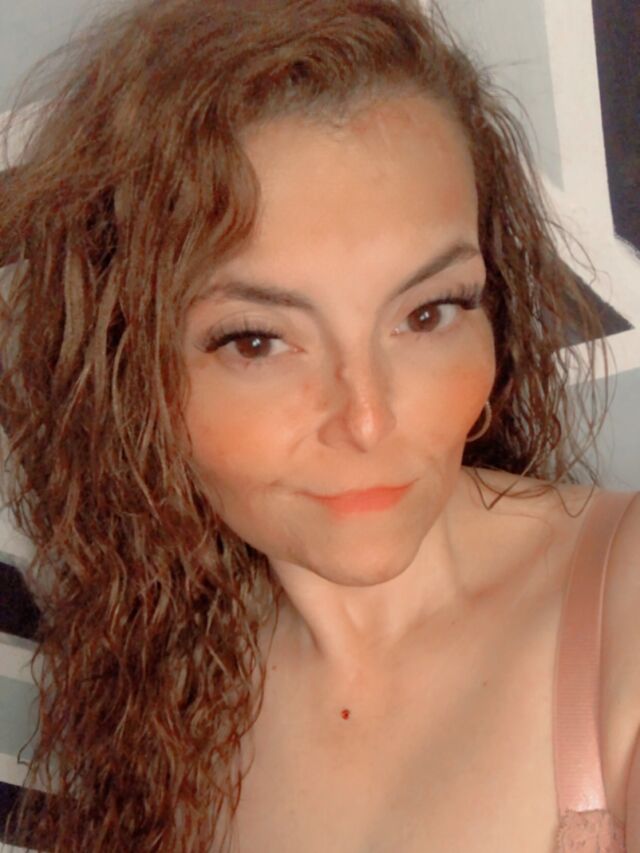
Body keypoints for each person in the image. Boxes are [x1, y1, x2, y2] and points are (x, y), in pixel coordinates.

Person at [0, 0, 638, 850]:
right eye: (257, 341)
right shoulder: (163, 689)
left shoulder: (625, 607)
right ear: (130, 372)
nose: (367, 419)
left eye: (428, 313)